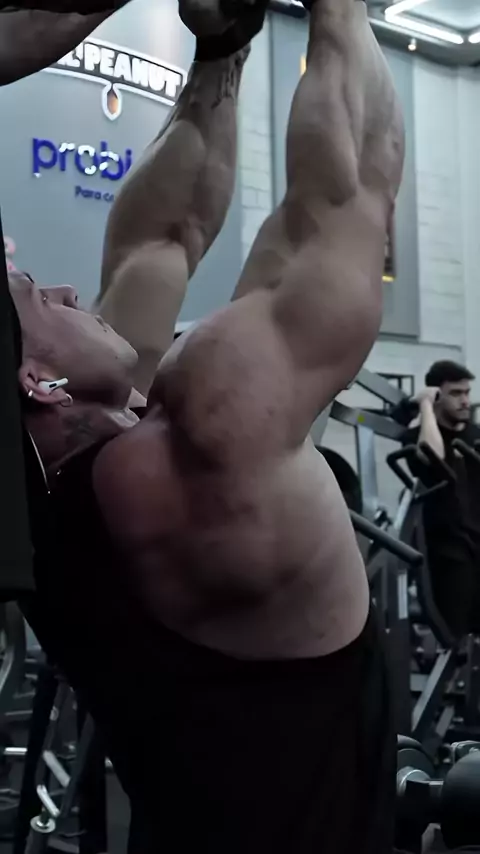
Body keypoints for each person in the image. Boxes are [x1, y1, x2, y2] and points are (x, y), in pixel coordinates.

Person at [9, 0, 405, 850]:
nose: (68, 289)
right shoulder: (197, 450)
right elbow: (348, 202)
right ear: (38, 381)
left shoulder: (54, 478)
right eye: (42, 296)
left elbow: (162, 240)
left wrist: (222, 48)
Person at [401, 361, 480, 637]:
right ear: (436, 396)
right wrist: (425, 406)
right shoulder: (416, 437)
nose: (465, 401)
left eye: (467, 392)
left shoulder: (476, 435)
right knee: (457, 634)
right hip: (448, 549)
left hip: (478, 542)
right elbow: (431, 456)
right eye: (456, 393)